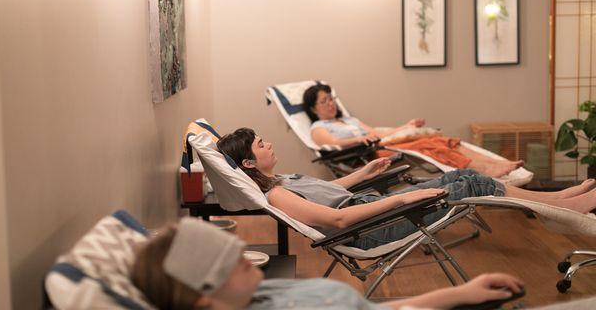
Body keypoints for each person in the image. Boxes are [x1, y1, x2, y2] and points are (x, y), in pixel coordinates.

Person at [216, 127, 596, 250]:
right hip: (369, 229)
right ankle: (560, 205)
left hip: (372, 208)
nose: (268, 145)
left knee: (460, 181)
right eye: (260, 145)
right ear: (248, 163)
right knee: (470, 183)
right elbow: (339, 216)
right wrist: (406, 196)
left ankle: (557, 201)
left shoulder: (281, 181)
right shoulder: (275, 194)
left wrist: (363, 172)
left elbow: (332, 192)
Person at [131, 217, 526, 310]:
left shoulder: (258, 293)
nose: (243, 255)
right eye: (227, 261)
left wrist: (460, 293)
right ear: (203, 299)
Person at [301, 83, 524, 179]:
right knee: (427, 145)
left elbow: (378, 134)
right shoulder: (318, 128)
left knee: (438, 139)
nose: (330, 103)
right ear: (313, 108)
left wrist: (407, 126)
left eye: (331, 98)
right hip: (365, 157)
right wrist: (360, 139)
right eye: (324, 101)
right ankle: (483, 168)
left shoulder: (349, 119)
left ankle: (490, 164)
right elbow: (333, 144)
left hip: (380, 145)